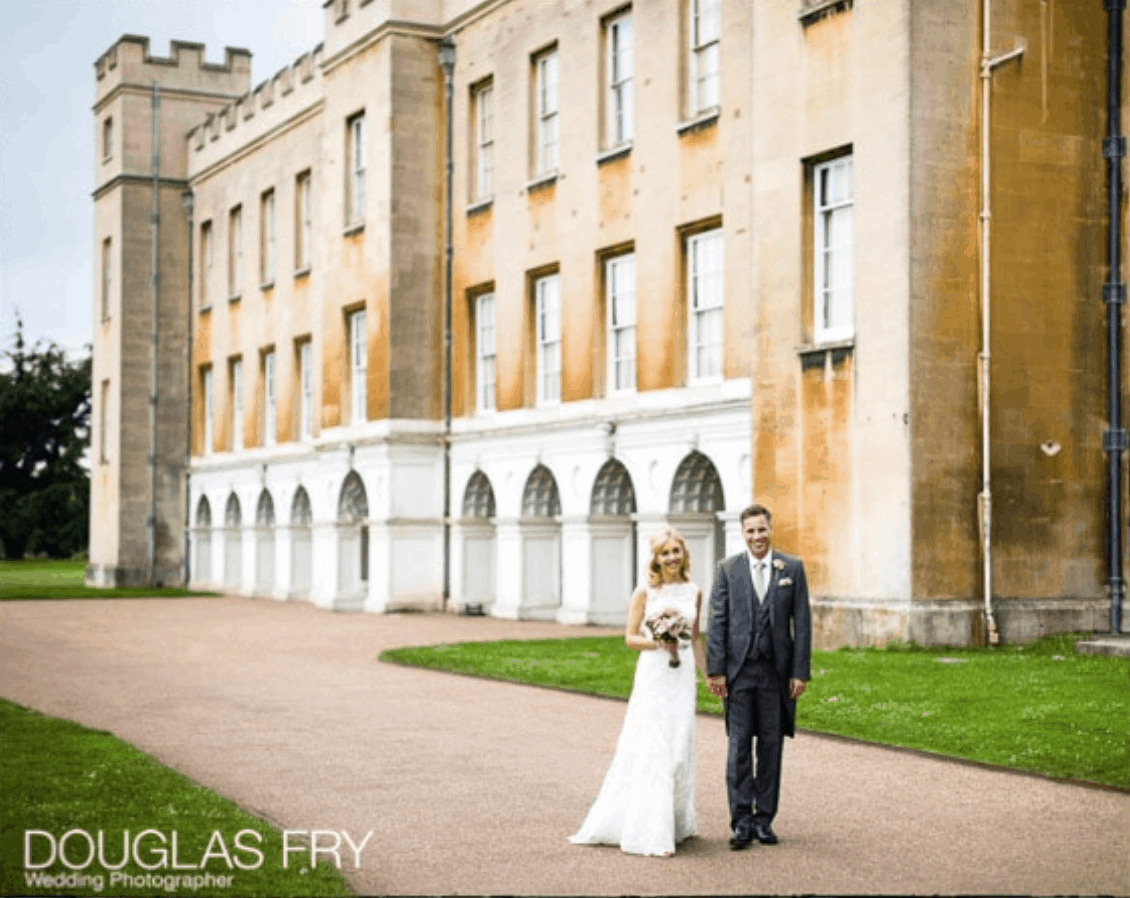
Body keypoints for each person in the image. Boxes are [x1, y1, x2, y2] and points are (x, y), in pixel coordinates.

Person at [569, 525, 707, 857]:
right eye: (665, 553)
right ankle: (651, 831)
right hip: (655, 675)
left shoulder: (694, 591)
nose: (672, 558)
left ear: (683, 554)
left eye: (676, 551)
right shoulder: (645, 592)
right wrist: (660, 641)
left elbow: (697, 637)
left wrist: (710, 675)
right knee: (654, 747)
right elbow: (630, 638)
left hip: (683, 676)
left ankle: (676, 821)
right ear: (656, 559)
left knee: (679, 747)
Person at [706, 503, 811, 850]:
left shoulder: (792, 568)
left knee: (770, 746)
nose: (756, 537)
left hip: (775, 675)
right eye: (750, 531)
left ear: (770, 529)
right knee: (738, 748)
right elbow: (717, 623)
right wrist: (716, 670)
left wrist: (799, 672)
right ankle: (741, 822)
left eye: (761, 529)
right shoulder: (728, 569)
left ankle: (764, 820)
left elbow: (803, 623)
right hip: (737, 674)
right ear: (743, 534)